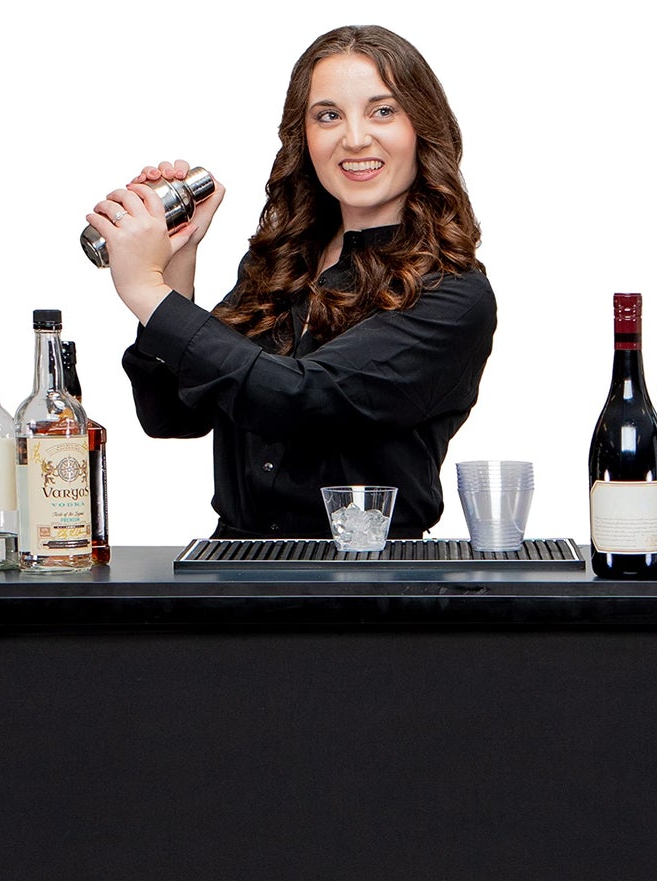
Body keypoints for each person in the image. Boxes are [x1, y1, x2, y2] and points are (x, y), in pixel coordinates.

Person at [87, 24, 496, 541]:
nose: (354, 138)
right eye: (328, 115)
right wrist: (175, 265)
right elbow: (171, 415)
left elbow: (299, 398)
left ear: (422, 127)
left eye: (383, 111)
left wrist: (147, 291)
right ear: (303, 137)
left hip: (367, 575)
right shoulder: (281, 264)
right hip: (238, 567)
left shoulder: (452, 293)